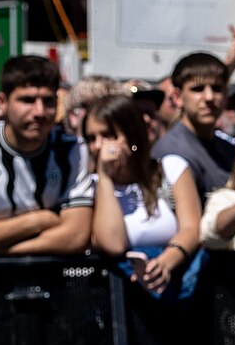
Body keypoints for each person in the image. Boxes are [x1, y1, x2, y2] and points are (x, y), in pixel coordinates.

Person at [0, 54, 93, 257]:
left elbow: (75, 236)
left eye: (48, 101)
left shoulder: (73, 149)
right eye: (27, 100)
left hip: (52, 281)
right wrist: (36, 221)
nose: (39, 111)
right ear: (2, 102)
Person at [85, 93, 202, 295]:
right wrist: (104, 176)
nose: (98, 146)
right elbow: (114, 244)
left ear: (131, 135)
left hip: (173, 290)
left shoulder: (171, 168)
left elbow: (192, 228)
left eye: (108, 135)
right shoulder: (90, 187)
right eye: (91, 138)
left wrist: (166, 261)